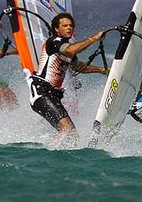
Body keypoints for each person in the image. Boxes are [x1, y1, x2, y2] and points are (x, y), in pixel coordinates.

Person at [29, 12, 108, 146]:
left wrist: (102, 70)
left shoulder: (67, 49)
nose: (69, 28)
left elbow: (78, 67)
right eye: (65, 25)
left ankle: (60, 157)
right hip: (41, 92)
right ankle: (51, 154)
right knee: (68, 130)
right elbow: (71, 50)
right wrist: (94, 38)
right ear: (56, 29)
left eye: (71, 25)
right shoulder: (54, 41)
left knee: (72, 135)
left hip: (52, 95)